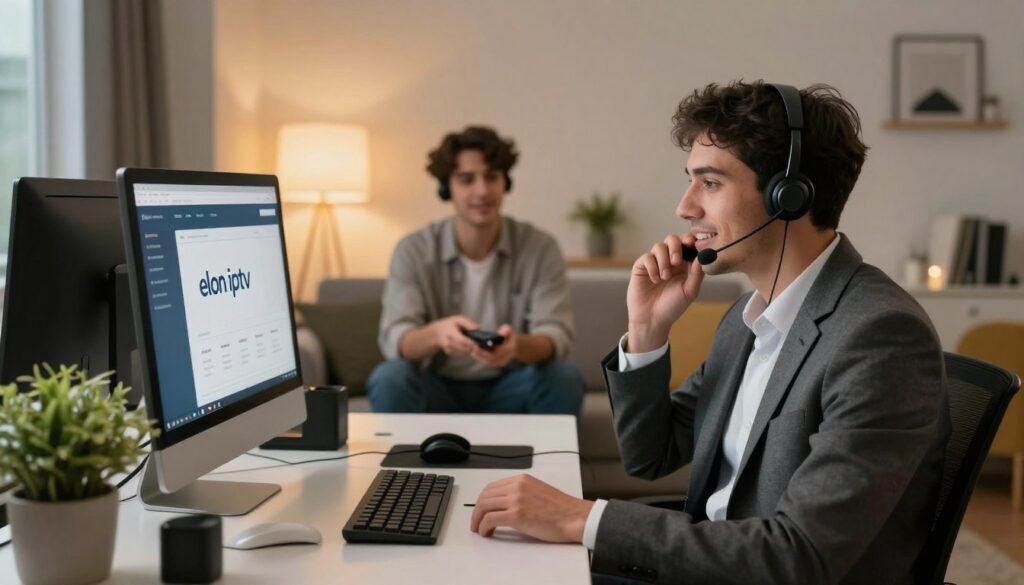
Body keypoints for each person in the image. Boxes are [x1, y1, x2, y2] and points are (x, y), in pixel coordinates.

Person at [469, 81, 950, 585]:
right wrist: (647, 329)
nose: (685, 207)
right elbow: (650, 457)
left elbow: (798, 558)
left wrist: (582, 519)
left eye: (711, 183)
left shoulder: (879, 336)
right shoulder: (745, 320)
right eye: (691, 181)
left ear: (789, 195)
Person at [367, 125, 584, 417]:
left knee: (563, 377)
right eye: (467, 179)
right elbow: (397, 338)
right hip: (436, 386)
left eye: (491, 177)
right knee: (390, 378)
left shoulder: (540, 247)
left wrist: (515, 346)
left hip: (510, 386)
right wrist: (437, 335)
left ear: (505, 182)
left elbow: (555, 334)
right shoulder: (413, 250)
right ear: (446, 188)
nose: (482, 191)